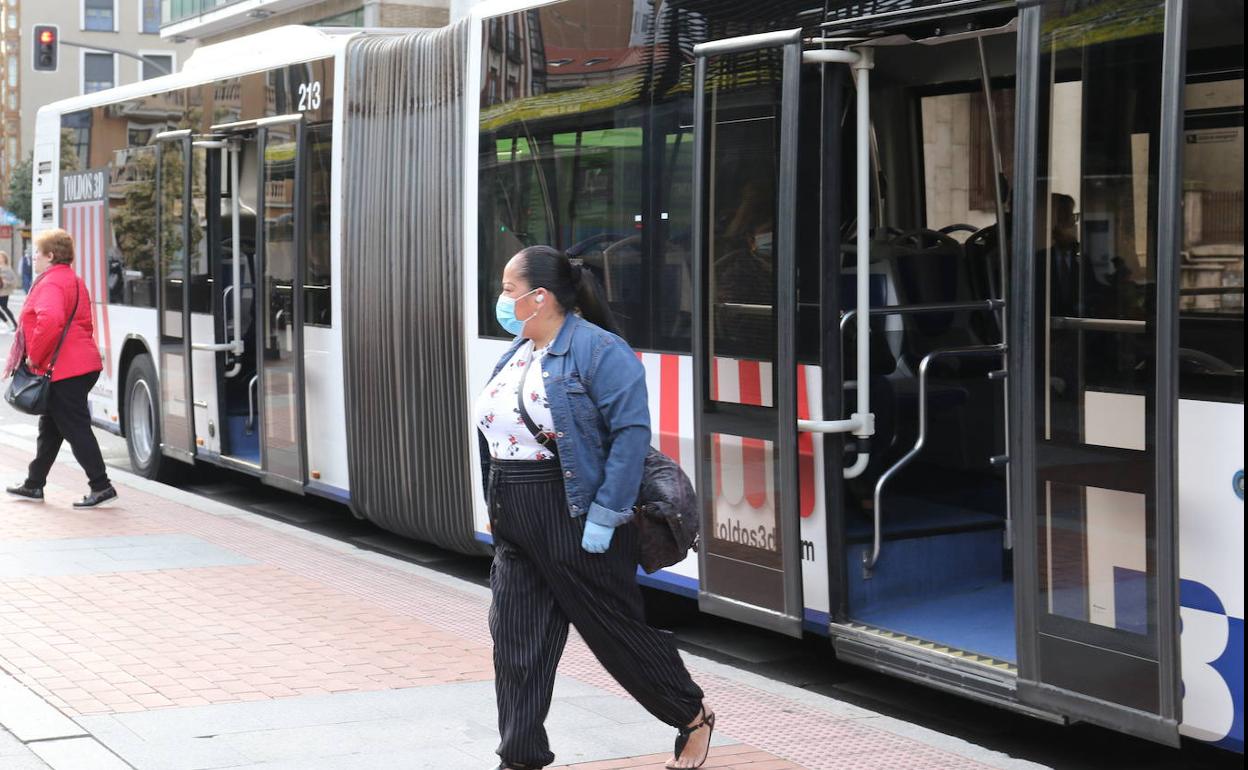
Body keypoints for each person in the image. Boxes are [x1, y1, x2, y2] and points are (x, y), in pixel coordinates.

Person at [476, 245, 714, 770]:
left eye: (509, 290)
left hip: (576, 512)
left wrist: (606, 515)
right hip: (515, 510)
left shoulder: (601, 351)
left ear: (539, 297)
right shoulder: (516, 350)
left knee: (615, 634)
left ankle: (691, 714)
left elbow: (631, 437)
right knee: (516, 641)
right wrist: (494, 498)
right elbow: (493, 431)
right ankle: (520, 757)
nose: (502, 300)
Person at [6, 228, 117, 508]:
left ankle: (101, 485)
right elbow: (84, 324)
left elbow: (51, 321)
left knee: (75, 428)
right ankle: (34, 483)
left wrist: (35, 357)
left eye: (37, 254)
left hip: (65, 368)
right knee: (51, 427)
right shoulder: (74, 280)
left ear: (51, 255)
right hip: (80, 364)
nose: (34, 258)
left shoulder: (51, 283)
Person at [0, 251, 18, 331]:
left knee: (4, 307)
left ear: (4, 259)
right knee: (4, 307)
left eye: (1, 257)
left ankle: (14, 324)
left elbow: (14, 281)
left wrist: (5, 282)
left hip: (4, 292)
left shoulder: (8, 269)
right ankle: (8, 322)